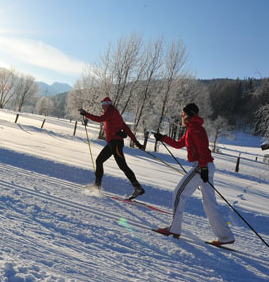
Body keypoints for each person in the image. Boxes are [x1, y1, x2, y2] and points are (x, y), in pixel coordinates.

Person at [152, 103, 235, 245]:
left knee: (179, 193)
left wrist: (202, 169)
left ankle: (174, 229)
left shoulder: (195, 129)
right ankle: (225, 236)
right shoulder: (192, 128)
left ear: (190, 115)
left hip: (202, 166)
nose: (181, 116)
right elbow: (179, 144)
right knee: (210, 203)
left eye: (183, 114)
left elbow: (203, 149)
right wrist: (163, 138)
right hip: (206, 166)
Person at [79, 97, 146, 200]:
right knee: (99, 160)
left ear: (107, 104)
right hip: (112, 143)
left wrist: (86, 114)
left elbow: (100, 119)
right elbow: (126, 128)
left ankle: (138, 188)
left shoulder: (110, 111)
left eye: (103, 104)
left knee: (123, 166)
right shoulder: (115, 113)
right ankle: (97, 186)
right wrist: (136, 142)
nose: (102, 106)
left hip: (115, 144)